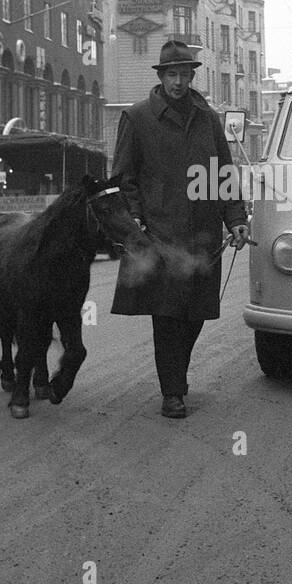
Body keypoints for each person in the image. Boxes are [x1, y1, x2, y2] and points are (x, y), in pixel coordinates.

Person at [110, 39, 252, 418]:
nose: (178, 82)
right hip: (161, 233)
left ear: (191, 76)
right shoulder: (138, 118)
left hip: (203, 233)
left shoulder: (207, 119)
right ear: (161, 76)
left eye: (184, 74)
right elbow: (124, 178)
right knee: (168, 313)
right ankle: (172, 391)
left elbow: (224, 173)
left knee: (195, 313)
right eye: (171, 74)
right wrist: (136, 218)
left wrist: (235, 219)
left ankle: (177, 376)